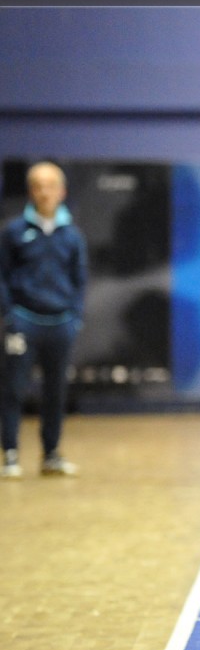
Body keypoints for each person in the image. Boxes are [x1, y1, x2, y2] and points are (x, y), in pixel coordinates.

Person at [1, 161, 87, 479]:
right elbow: (2, 275)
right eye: (38, 186)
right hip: (23, 322)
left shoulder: (72, 235)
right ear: (30, 192)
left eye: (50, 186)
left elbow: (80, 279)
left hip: (61, 324)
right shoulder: (13, 231)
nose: (44, 192)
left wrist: (75, 316)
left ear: (62, 191)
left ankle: (51, 455)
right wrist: (10, 314)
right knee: (13, 389)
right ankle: (10, 455)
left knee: (55, 392)